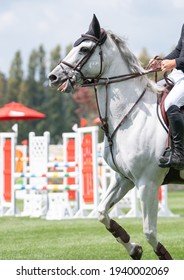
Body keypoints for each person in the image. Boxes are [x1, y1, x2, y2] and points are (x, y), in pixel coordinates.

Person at [150, 24, 184, 170]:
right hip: (179, 73)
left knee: (171, 102)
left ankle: (180, 154)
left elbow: (178, 59)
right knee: (153, 90)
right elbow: (178, 50)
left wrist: (174, 63)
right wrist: (162, 62)